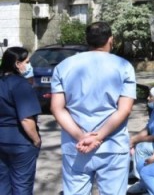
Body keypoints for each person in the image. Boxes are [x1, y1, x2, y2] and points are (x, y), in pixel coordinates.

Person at [50, 21, 137, 195]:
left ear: (87, 40)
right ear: (111, 40)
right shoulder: (124, 66)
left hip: (76, 146)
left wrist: (81, 136)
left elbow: (57, 108)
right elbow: (124, 110)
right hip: (112, 146)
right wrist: (98, 137)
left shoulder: (63, 66)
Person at [0, 47, 42, 195]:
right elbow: (26, 119)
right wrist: (36, 140)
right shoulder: (21, 85)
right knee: (22, 185)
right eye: (27, 62)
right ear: (17, 64)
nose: (29, 65)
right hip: (20, 142)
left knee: (2, 185)